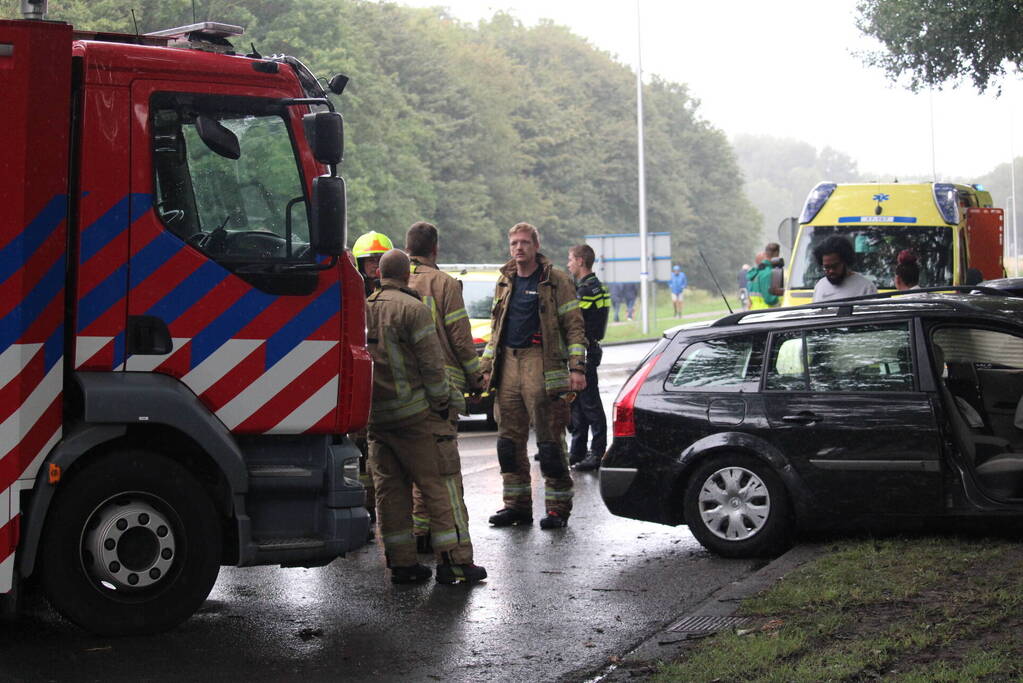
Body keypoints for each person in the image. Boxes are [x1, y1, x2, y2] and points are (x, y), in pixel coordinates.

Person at [365, 249, 486, 585]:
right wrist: (445, 403)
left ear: (378, 274)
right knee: (440, 485)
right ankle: (456, 562)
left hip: (378, 420)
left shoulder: (364, 308)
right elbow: (433, 368)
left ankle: (402, 565)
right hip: (417, 418)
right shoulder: (413, 309)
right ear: (406, 276)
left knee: (390, 492)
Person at [481, 223, 587, 530]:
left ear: (536, 246)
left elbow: (574, 326)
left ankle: (557, 508)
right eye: (514, 243)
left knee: (550, 442)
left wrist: (577, 368)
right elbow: (495, 331)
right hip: (509, 365)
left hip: (542, 363)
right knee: (508, 444)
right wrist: (487, 368)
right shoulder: (504, 280)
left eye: (524, 242)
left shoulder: (556, 281)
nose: (518, 248)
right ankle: (516, 506)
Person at [404, 221, 484, 554]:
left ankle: (419, 531)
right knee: (443, 465)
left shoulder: (394, 283)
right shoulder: (445, 284)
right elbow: (461, 339)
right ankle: (451, 544)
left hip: (404, 388)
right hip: (441, 387)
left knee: (417, 462)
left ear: (408, 249)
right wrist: (476, 378)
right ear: (434, 248)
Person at [349, 230, 395, 527]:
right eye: (370, 261)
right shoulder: (354, 295)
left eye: (381, 260)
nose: (375, 266)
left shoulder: (395, 296)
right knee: (360, 452)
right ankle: (364, 513)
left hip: (387, 384)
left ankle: (381, 512)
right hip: (360, 384)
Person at [566, 244, 610, 472]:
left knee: (590, 404)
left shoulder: (584, 291)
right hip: (590, 348)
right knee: (579, 403)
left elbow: (574, 323)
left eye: (571, 259)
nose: (568, 264)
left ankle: (597, 452)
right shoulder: (597, 287)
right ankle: (577, 451)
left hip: (584, 351)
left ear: (581, 261)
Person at [812, 235, 878, 302]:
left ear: (845, 262)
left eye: (835, 266)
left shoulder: (866, 287)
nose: (831, 271)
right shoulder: (820, 286)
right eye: (826, 267)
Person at [352, 230, 394, 296]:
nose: (376, 265)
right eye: (371, 260)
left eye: (380, 259)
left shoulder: (395, 290)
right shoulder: (352, 291)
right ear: (361, 264)